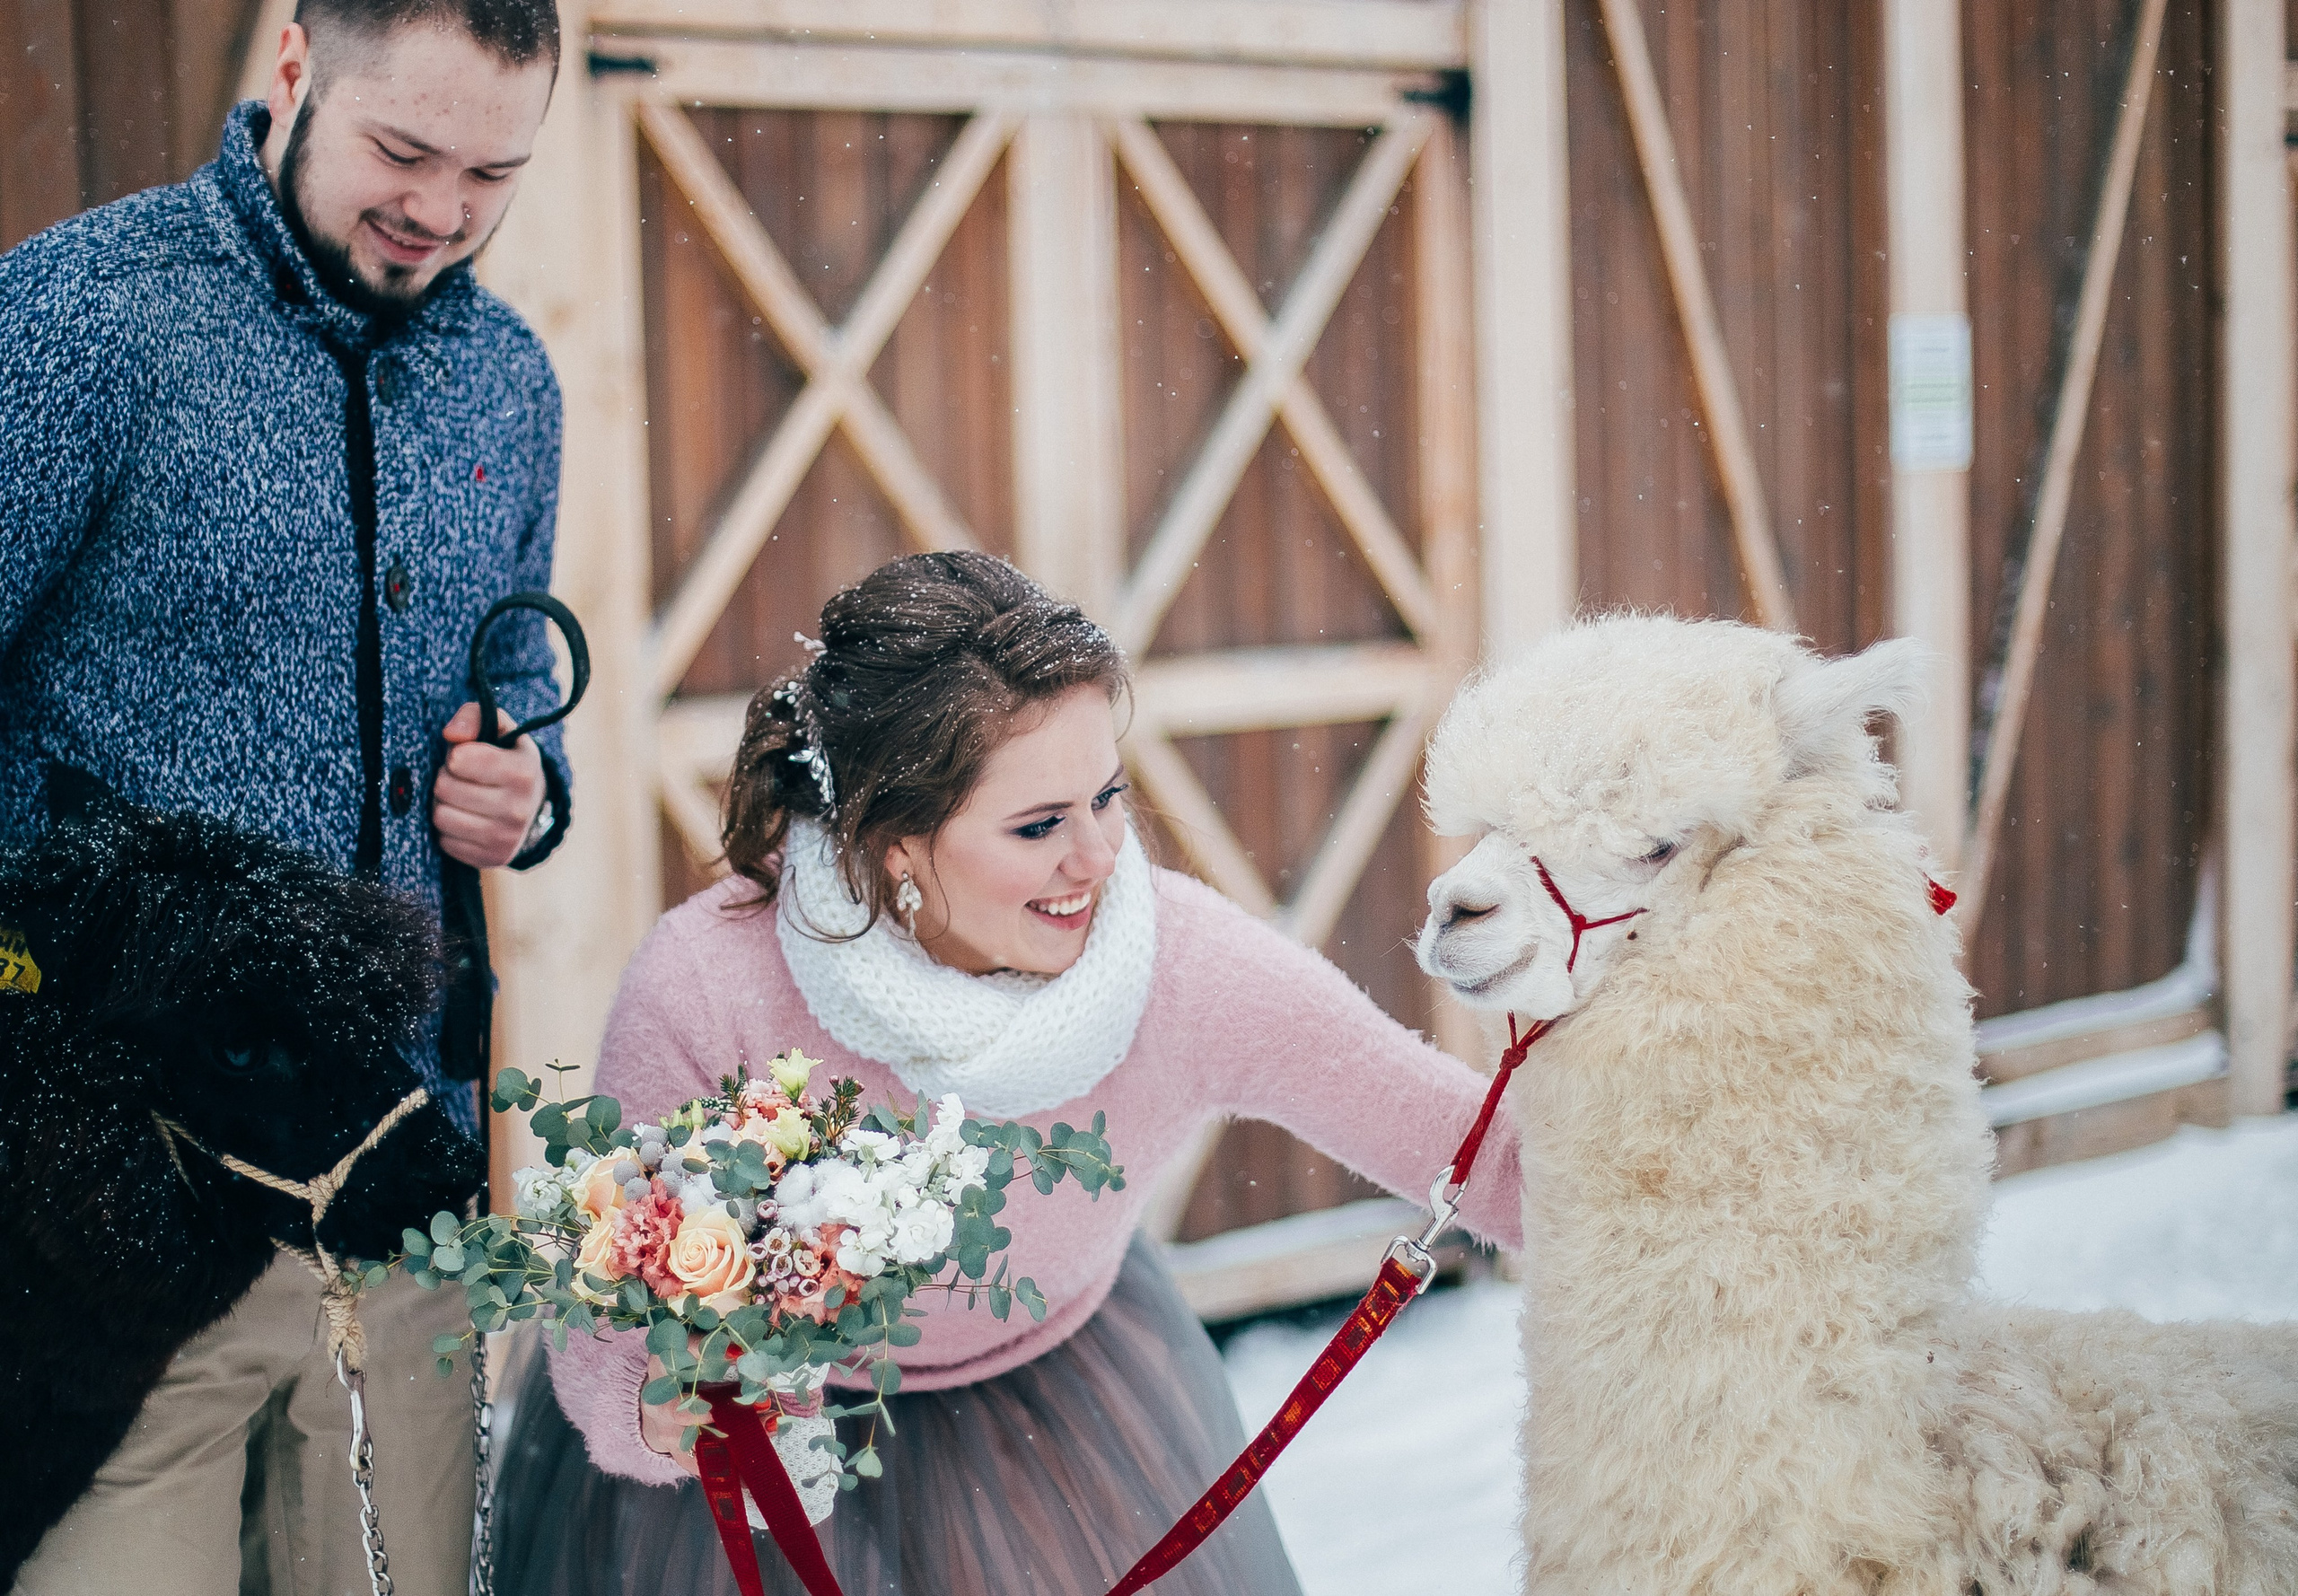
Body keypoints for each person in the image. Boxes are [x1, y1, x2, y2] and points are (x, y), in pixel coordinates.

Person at [500, 553, 1522, 1595]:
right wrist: (662, 1400)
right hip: (775, 1464)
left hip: (1075, 1423)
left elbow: (1484, 1155)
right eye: (1039, 825)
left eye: (1106, 797)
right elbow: (601, 1310)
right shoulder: (709, 984)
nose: (1097, 857)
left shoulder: (1178, 962)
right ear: (897, 844)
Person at [0, 2, 572, 1591]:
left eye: (491, 171)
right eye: (404, 150)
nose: (441, 209)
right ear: (296, 66)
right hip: (120, 1206)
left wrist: (521, 780)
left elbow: (511, 684)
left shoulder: (510, 381)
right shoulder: (76, 319)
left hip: (406, 1190)